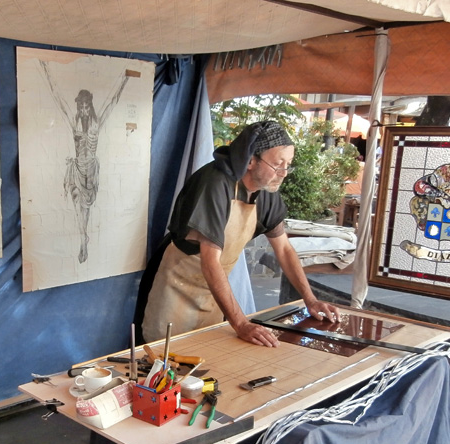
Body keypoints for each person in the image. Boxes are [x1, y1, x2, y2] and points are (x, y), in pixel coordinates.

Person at [139, 121, 340, 346]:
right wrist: (241, 323)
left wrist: (310, 300)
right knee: (168, 359)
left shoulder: (267, 191)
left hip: (212, 291)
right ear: (251, 160)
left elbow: (283, 249)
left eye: (288, 165)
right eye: (277, 164)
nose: (283, 174)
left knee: (207, 358)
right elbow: (210, 262)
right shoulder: (215, 183)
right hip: (177, 285)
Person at [39, 61, 130, 263]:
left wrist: (125, 79)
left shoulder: (97, 122)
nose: (84, 109)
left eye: (86, 105)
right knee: (78, 206)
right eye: (81, 106)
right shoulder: (75, 122)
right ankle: (83, 240)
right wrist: (46, 69)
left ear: (90, 105)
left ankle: (84, 236)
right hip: (77, 167)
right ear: (78, 106)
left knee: (86, 207)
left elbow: (113, 102)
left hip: (91, 169)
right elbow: (58, 99)